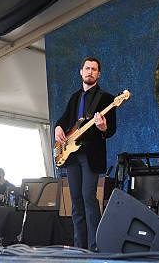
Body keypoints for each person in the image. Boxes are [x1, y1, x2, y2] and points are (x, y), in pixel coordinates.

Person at [54, 57, 117, 250]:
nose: (90, 72)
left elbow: (111, 129)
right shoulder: (75, 97)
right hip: (72, 155)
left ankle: (94, 247)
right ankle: (78, 247)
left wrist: (103, 126)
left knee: (89, 198)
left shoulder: (106, 98)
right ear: (81, 71)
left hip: (91, 154)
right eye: (87, 68)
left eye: (94, 69)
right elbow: (66, 119)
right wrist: (57, 126)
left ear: (99, 74)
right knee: (76, 201)